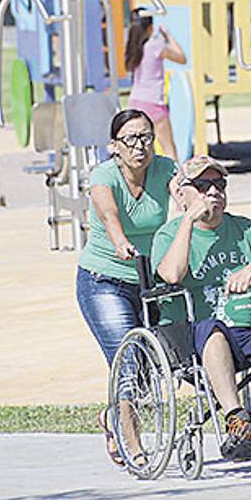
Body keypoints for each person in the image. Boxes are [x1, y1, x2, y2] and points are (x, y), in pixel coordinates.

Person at [152, 156, 251, 460]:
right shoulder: (169, 235)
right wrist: (188, 221)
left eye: (219, 184)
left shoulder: (244, 229)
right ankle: (237, 419)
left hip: (245, 332)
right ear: (182, 194)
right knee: (213, 330)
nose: (213, 192)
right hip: (193, 336)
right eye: (202, 185)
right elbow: (171, 275)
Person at [76, 108, 177, 467]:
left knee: (159, 363)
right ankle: (132, 443)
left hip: (150, 282)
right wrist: (120, 242)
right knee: (129, 362)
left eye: (146, 137)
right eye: (131, 139)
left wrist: (198, 204)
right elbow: (109, 214)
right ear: (114, 146)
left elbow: (182, 194)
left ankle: (111, 417)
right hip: (104, 281)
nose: (140, 146)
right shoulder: (103, 175)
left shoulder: (164, 168)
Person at [124, 11, 187, 162]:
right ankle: (176, 177)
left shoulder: (133, 48)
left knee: (142, 152)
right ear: (150, 27)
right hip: (153, 103)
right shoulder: (155, 46)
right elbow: (181, 57)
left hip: (135, 103)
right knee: (169, 150)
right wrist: (168, 36)